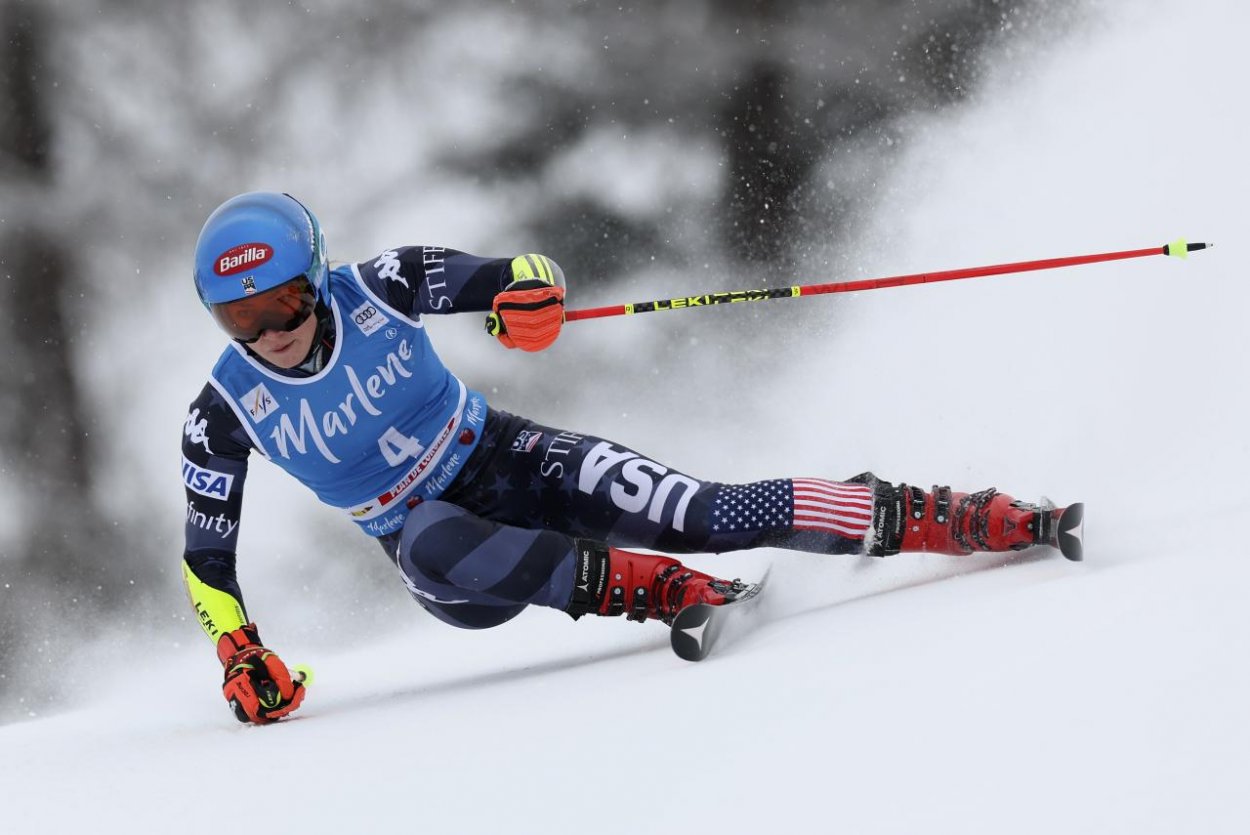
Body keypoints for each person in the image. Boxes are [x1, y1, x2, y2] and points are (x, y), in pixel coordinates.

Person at [183, 191, 1079, 725]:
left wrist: (526, 294)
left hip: (508, 454)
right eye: (242, 318)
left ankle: (949, 514)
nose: (273, 334)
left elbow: (506, 269)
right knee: (427, 540)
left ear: (319, 274)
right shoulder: (224, 410)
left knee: (704, 511)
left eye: (287, 303)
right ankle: (664, 591)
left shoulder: (379, 284)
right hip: (454, 559)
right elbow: (205, 555)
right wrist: (238, 650)